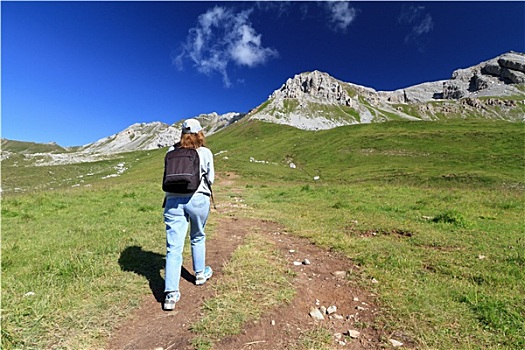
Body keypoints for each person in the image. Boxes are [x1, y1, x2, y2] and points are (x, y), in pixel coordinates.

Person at [162, 118, 214, 311]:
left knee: (173, 248)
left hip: (173, 201)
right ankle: (200, 274)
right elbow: (211, 178)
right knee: (198, 236)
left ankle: (170, 295)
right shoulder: (205, 152)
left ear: (182, 134)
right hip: (198, 199)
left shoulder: (171, 151)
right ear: (200, 133)